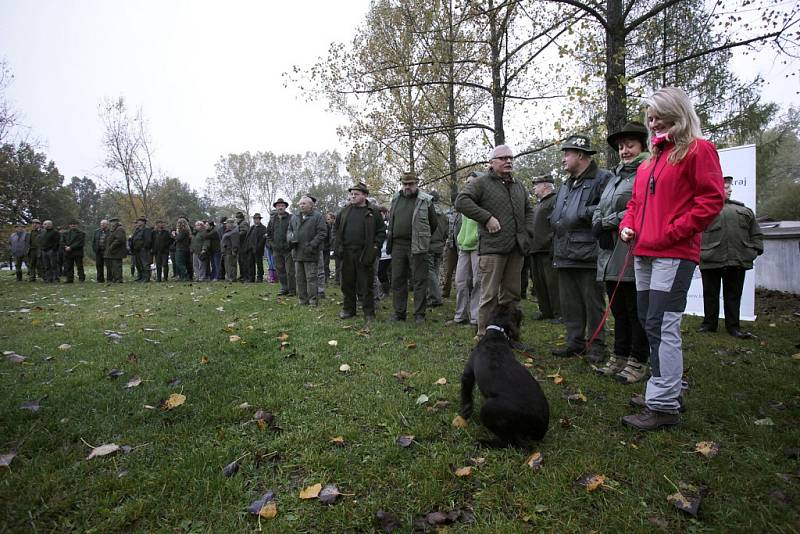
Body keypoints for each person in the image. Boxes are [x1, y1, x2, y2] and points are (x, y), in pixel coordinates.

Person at [619, 86, 725, 431]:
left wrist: (673, 231)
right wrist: (627, 226)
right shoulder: (649, 163)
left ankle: (663, 403)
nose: (651, 121)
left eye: (657, 114)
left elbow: (710, 201)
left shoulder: (698, 150)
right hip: (644, 253)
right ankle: (666, 387)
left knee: (664, 325)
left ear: (676, 114)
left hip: (674, 254)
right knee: (651, 322)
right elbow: (635, 205)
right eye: (649, 116)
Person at [592, 122, 651, 383]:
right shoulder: (615, 176)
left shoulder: (647, 171)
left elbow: (638, 206)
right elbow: (600, 206)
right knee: (618, 310)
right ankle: (619, 355)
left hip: (631, 249)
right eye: (621, 147)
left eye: (630, 145)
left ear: (642, 146)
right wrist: (597, 221)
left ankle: (638, 361)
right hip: (609, 253)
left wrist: (607, 222)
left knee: (635, 309)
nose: (624, 151)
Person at [455, 145, 533, 336]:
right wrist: (486, 218)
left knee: (512, 295)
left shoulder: (518, 185)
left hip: (516, 248)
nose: (508, 161)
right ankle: (484, 335)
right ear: (492, 162)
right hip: (492, 248)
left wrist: (527, 232)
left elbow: (528, 210)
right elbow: (461, 201)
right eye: (503, 158)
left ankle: (509, 334)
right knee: (489, 296)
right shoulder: (481, 183)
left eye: (510, 158)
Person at [550, 134, 612, 362]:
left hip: (588, 253)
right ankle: (574, 343)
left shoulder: (602, 178)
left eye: (567, 154)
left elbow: (606, 207)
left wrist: (579, 213)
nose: (564, 159)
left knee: (592, 302)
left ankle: (596, 345)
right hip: (564, 252)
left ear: (580, 155)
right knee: (570, 303)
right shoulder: (566, 184)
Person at [698, 175, 764, 339]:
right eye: (726, 187)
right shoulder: (703, 210)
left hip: (737, 260)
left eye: (730, 187)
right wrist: (698, 253)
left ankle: (733, 327)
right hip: (710, 259)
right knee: (710, 293)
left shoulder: (744, 211)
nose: (730, 189)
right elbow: (694, 234)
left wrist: (754, 251)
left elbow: (756, 234)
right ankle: (709, 324)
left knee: (733, 294)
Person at [387, 171, 439, 323]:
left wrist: (421, 237)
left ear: (417, 184)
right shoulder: (395, 199)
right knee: (397, 280)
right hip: (397, 245)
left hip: (417, 245)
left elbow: (433, 223)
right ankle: (399, 313)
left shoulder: (425, 200)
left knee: (419, 280)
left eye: (410, 184)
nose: (407, 187)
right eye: (404, 184)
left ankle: (419, 314)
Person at [335, 181, 386, 321]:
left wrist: (375, 248)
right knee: (347, 283)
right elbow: (336, 230)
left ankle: (369, 312)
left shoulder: (373, 212)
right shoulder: (344, 212)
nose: (352, 197)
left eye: (356, 194)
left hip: (365, 254)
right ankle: (348, 309)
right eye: (351, 194)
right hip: (347, 253)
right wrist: (337, 246)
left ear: (365, 195)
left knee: (366, 284)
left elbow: (381, 232)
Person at [529, 175, 561, 323]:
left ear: (545, 185)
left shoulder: (555, 200)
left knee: (553, 283)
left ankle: (558, 313)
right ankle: (545, 311)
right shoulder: (539, 205)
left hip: (548, 249)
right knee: (539, 283)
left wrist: (551, 242)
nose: (534, 187)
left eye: (536, 184)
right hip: (535, 249)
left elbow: (557, 224)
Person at [449, 174, 480, 327]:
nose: (467, 184)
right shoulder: (464, 201)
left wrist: (476, 238)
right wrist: (459, 240)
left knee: (477, 282)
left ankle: (475, 318)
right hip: (464, 246)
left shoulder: (483, 201)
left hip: (478, 246)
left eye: (470, 182)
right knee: (460, 281)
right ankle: (460, 316)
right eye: (466, 182)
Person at [289, 196, 327, 306]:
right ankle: (302, 300)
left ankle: (313, 301)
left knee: (311, 278)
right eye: (300, 204)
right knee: (299, 278)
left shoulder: (318, 217)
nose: (301, 205)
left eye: (304, 203)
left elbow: (322, 233)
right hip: (297, 252)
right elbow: (289, 230)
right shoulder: (295, 217)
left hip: (310, 252)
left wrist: (312, 245)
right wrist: (290, 239)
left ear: (311, 205)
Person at [266, 198, 295, 296]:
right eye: (278, 206)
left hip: (288, 250)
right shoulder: (272, 220)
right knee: (280, 269)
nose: (280, 207)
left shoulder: (291, 218)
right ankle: (284, 288)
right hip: (276, 250)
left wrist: (291, 244)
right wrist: (272, 244)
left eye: (282, 205)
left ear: (285, 207)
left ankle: (292, 290)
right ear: (276, 207)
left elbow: (295, 232)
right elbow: (268, 234)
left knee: (290, 270)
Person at [426, 190, 449, 308]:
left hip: (429, 245)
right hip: (439, 246)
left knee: (430, 272)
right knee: (434, 271)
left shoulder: (428, 212)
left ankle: (435, 298)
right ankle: (432, 295)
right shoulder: (444, 215)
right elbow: (447, 232)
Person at [245, 213, 267, 282]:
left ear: (259, 219)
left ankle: (260, 278)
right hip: (250, 249)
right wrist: (247, 247)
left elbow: (263, 240)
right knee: (250, 264)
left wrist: (258, 247)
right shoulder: (251, 227)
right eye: (254, 218)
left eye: (257, 218)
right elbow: (247, 238)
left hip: (258, 249)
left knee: (259, 264)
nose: (256, 220)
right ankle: (251, 278)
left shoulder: (263, 228)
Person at [130, 217, 153, 282]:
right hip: (136, 250)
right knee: (138, 264)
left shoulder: (146, 230)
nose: (138, 223)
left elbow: (148, 240)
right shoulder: (137, 230)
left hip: (143, 250)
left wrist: (144, 247)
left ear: (143, 222)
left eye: (139, 221)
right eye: (138, 221)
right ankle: (140, 277)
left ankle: (146, 278)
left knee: (145, 264)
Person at [104, 217, 127, 283]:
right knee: (113, 266)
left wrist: (111, 247)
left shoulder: (120, 229)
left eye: (113, 222)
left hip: (117, 251)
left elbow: (119, 240)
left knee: (117, 266)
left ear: (116, 222)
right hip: (113, 252)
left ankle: (119, 279)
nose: (112, 223)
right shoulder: (114, 229)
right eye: (111, 222)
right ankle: (115, 278)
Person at [235, 212, 250, 282]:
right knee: (240, 261)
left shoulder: (244, 223)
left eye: (237, 218)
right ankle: (242, 275)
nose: (236, 219)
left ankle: (246, 276)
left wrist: (236, 235)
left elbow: (245, 232)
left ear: (240, 218)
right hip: (240, 246)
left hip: (244, 245)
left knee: (244, 261)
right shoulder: (239, 224)